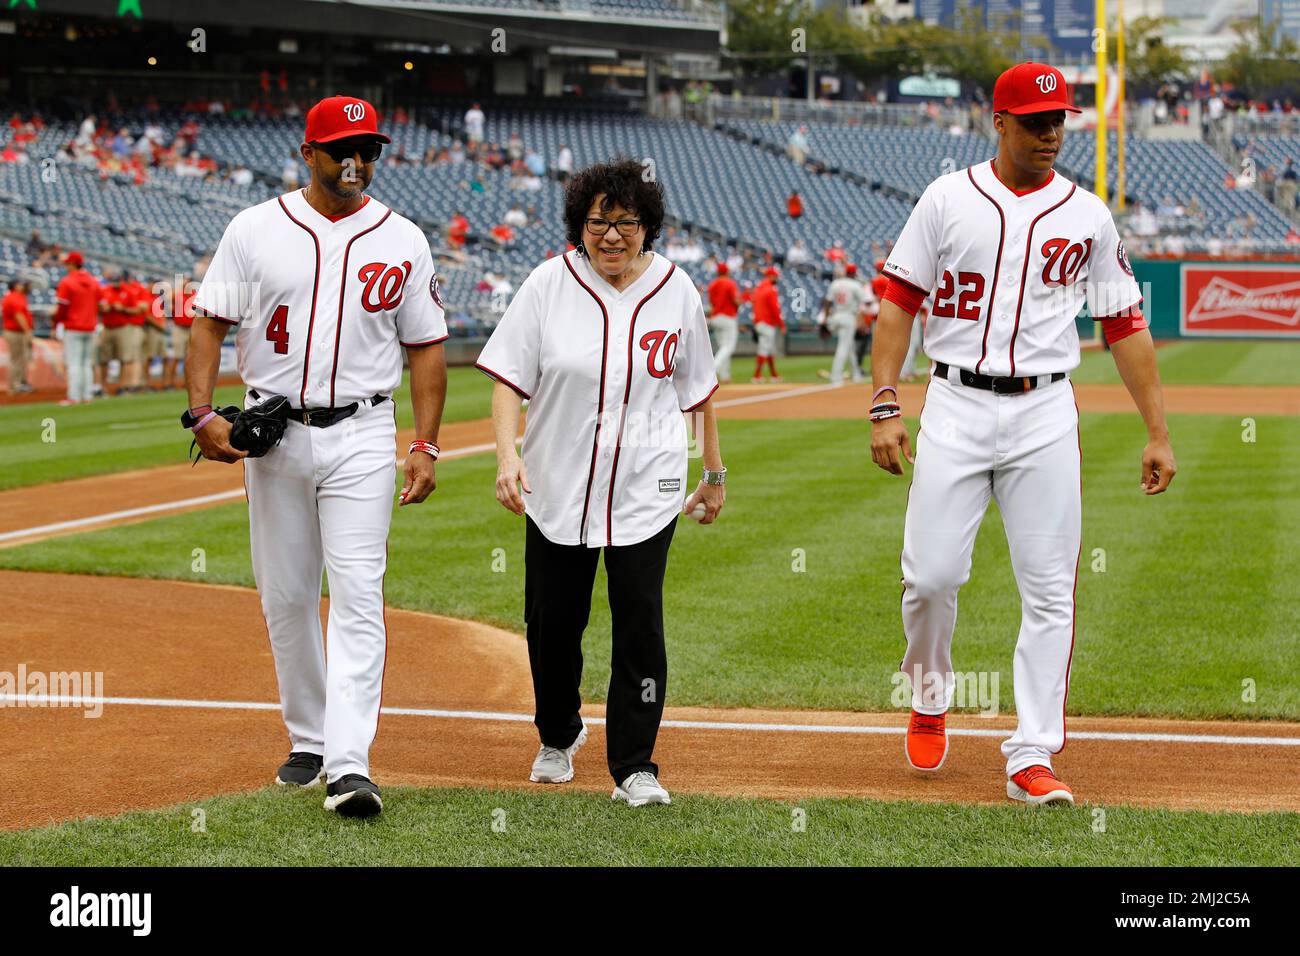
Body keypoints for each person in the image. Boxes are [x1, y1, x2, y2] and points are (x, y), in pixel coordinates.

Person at [870, 62, 1177, 806]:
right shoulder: (947, 197)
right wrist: (885, 401)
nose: (1050, 134)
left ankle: (1031, 751)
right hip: (955, 401)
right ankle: (930, 690)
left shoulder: (1087, 214)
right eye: (1035, 122)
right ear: (999, 122)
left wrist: (1158, 431)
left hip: (1045, 411)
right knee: (931, 576)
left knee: (1050, 592)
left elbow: (1124, 325)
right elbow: (898, 304)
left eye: (1058, 121)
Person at [186, 94, 449, 819]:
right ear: (309, 153)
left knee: (359, 591)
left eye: (368, 149)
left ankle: (349, 761)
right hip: (273, 436)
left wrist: (424, 442)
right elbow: (209, 324)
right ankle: (308, 735)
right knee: (288, 594)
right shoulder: (254, 228)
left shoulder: (403, 237)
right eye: (342, 150)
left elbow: (427, 346)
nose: (356, 163)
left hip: (364, 432)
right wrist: (204, 413)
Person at [475, 157, 724, 808]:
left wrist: (714, 472)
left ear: (649, 226)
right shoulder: (546, 286)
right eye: (598, 222)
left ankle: (635, 765)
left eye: (626, 222)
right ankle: (558, 734)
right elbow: (508, 379)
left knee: (640, 622)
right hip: (558, 485)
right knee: (552, 623)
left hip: (649, 487)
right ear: (578, 224)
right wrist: (507, 457)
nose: (611, 235)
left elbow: (696, 392)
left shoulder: (678, 290)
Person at [54, 251, 100, 406]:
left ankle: (74, 396)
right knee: (86, 363)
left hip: (73, 326)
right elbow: (101, 304)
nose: (66, 266)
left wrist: (57, 322)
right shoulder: (94, 281)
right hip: (90, 326)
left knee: (74, 363)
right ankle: (87, 395)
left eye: (68, 264)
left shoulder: (67, 282)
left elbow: (62, 307)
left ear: (72, 264)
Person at [97, 267, 145, 395]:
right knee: (103, 359)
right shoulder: (104, 290)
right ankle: (102, 386)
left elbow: (136, 310)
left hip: (123, 328)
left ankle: (123, 386)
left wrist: (122, 308)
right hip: (107, 327)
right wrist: (103, 309)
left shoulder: (128, 291)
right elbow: (97, 307)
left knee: (125, 358)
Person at [820, 263, 864, 386]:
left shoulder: (835, 283)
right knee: (843, 347)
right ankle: (836, 377)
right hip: (848, 317)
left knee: (849, 347)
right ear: (854, 273)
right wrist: (862, 320)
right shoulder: (855, 285)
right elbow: (865, 302)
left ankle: (856, 374)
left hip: (836, 315)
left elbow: (827, 302)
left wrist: (825, 318)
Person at [707, 261, 741, 383]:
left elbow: (711, 302)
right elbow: (736, 300)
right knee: (728, 347)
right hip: (728, 317)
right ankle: (713, 370)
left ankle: (725, 376)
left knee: (723, 348)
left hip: (715, 317)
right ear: (727, 272)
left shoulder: (712, 284)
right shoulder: (730, 283)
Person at [750, 266, 784, 383]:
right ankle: (756, 376)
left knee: (769, 350)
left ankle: (774, 375)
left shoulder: (758, 288)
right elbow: (775, 309)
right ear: (771, 276)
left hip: (759, 322)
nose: (776, 278)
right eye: (775, 276)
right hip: (767, 323)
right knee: (764, 349)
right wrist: (781, 324)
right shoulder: (771, 289)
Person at [2, 279, 34, 394]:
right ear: (15, 286)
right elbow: (19, 316)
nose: (23, 286)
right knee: (16, 359)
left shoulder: (20, 296)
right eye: (20, 284)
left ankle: (21, 382)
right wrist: (27, 332)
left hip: (18, 332)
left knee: (21, 358)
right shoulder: (12, 297)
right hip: (15, 332)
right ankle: (15, 385)